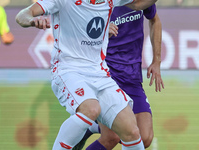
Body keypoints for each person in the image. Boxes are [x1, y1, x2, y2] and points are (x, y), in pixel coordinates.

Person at [15, 0, 158, 149]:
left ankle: (90, 128)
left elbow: (140, 4)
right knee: (91, 109)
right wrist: (32, 20)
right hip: (69, 70)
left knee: (132, 131)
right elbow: (22, 15)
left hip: (99, 73)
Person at [74, 4, 164, 150]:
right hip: (106, 74)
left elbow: (155, 20)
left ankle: (92, 126)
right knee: (111, 137)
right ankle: (94, 126)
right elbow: (77, 30)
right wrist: (101, 29)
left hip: (132, 77)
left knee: (145, 138)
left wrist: (156, 61)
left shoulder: (140, 2)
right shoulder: (100, 3)